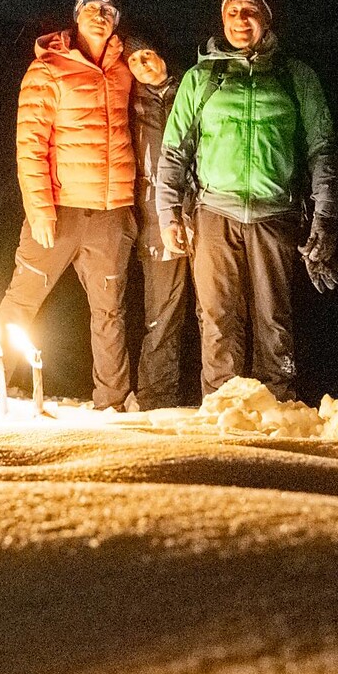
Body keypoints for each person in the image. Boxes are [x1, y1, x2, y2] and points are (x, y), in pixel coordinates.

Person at [155, 0, 338, 401]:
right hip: (214, 213)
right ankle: (222, 408)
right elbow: (174, 152)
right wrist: (168, 214)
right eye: (232, 11)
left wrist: (325, 217)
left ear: (267, 19)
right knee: (217, 321)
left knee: (275, 322)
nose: (240, 19)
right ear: (222, 19)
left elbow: (323, 151)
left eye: (250, 10)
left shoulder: (296, 77)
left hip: (275, 215)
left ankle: (279, 405)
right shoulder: (201, 78)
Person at [0, 0, 136, 411]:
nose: (100, 15)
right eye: (91, 8)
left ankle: (113, 402)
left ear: (116, 21)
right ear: (76, 15)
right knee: (21, 301)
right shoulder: (48, 68)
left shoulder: (124, 68)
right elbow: (30, 145)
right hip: (60, 210)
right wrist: (39, 209)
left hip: (111, 211)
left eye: (109, 11)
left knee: (110, 312)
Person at [126, 35, 191, 409]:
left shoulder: (192, 88)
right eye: (133, 60)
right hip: (153, 216)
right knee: (162, 313)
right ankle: (157, 396)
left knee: (217, 310)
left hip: (202, 207)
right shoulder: (128, 103)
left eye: (147, 54)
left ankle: (222, 394)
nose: (143, 64)